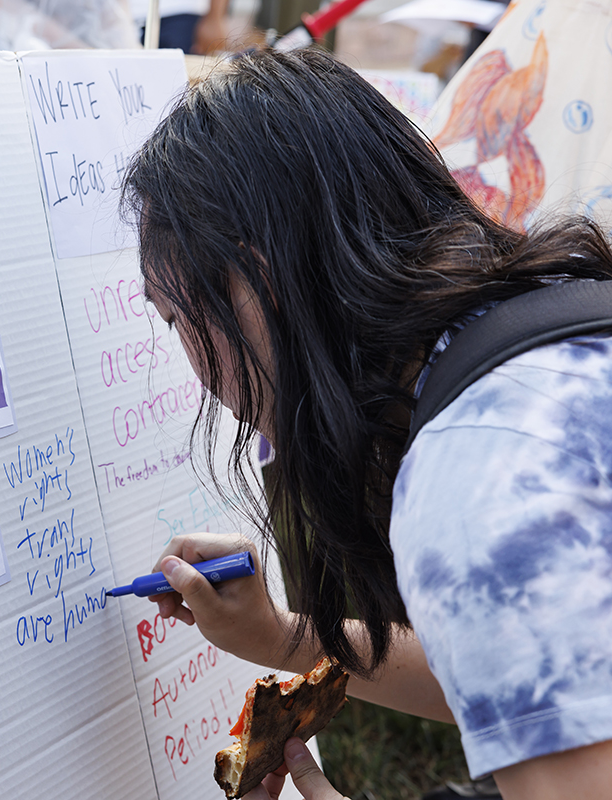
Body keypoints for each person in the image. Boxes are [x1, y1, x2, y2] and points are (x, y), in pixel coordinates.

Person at [120, 47, 612, 800]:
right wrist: (278, 635)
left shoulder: (474, 478)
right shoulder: (551, 331)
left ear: (259, 286)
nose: (193, 371)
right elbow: (540, 691)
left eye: (178, 320)